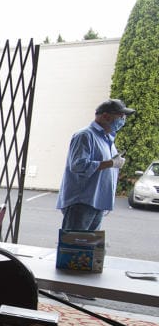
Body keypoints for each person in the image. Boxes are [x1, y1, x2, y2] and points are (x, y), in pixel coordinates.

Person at [56, 99, 135, 231]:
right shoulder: (85, 136)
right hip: (82, 203)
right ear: (105, 116)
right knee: (74, 246)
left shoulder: (107, 138)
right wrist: (111, 163)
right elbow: (78, 165)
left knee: (89, 249)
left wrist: (113, 163)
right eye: (120, 116)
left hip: (98, 202)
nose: (123, 120)